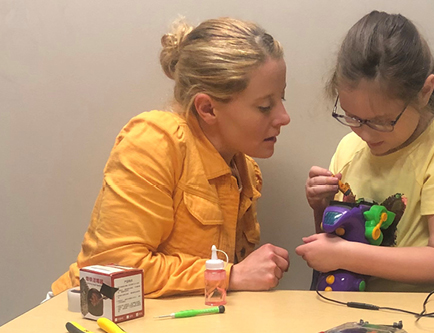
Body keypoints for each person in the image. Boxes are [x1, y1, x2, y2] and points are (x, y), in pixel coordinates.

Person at [50, 17, 291, 298]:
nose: (284, 117)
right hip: (84, 320)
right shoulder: (154, 142)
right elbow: (111, 269)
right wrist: (231, 274)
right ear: (207, 109)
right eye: (264, 106)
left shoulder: (245, 168)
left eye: (282, 98)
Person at [296, 11, 434, 292]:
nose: (366, 134)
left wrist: (344, 254)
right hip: (347, 315)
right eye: (352, 117)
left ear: (425, 91)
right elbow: (335, 244)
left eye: (383, 121)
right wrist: (321, 206)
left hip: (419, 320)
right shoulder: (350, 147)